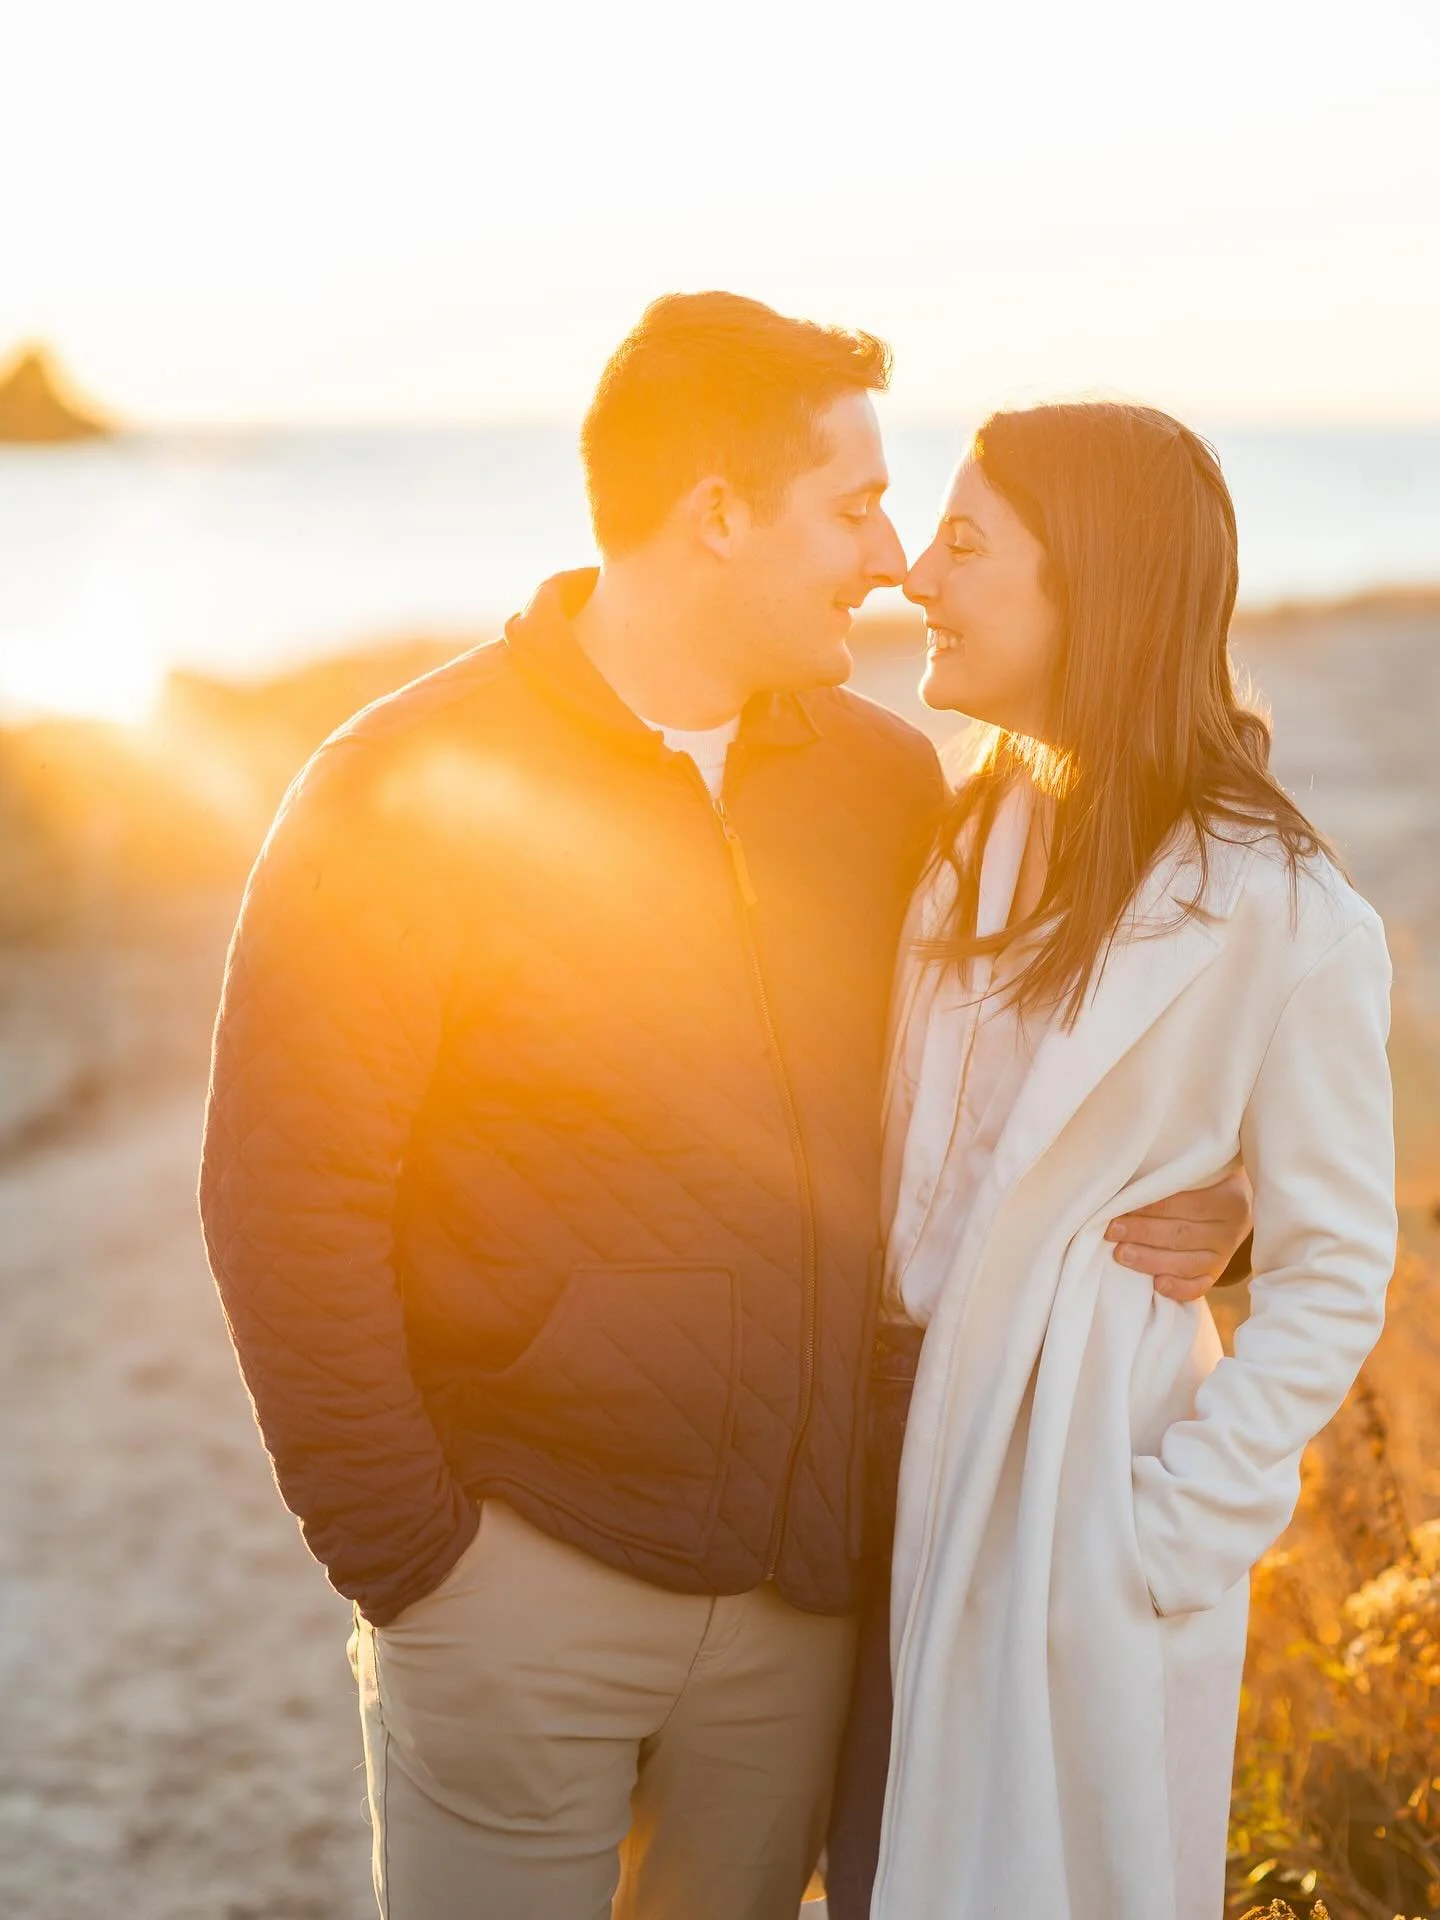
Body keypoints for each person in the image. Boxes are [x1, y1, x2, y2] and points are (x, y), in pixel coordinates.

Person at [197, 298, 1252, 1920]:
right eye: (854, 507)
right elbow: (284, 1203)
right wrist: (416, 1562)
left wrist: (1215, 1202)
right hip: (515, 1586)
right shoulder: (398, 790)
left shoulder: (896, 791)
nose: (894, 557)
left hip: (800, 1610)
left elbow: (1033, 1089)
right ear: (715, 515)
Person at [841, 402, 1396, 1920]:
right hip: (870, 1457)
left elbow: (1338, 1260)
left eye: (966, 542)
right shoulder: (963, 836)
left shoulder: (1287, 913)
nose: (918, 578)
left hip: (1067, 1485)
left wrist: (1167, 1526)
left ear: (1092, 581)